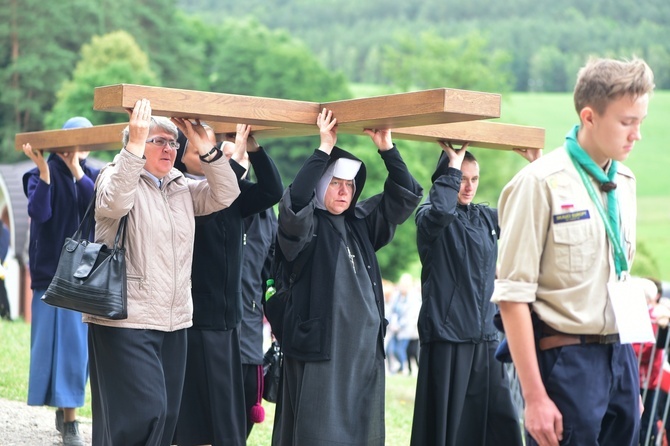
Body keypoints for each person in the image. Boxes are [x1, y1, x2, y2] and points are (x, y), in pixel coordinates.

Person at [492, 57, 655, 446]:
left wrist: (625, 377)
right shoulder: (539, 184)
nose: (637, 135)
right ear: (589, 116)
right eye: (627, 122)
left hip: (620, 357)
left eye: (641, 122)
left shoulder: (626, 181)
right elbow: (513, 297)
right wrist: (534, 398)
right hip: (565, 361)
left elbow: (619, 275)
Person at [85, 99, 240, 446]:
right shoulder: (115, 175)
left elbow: (228, 194)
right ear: (137, 143)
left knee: (168, 415)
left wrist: (205, 147)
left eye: (172, 142)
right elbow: (114, 203)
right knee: (145, 411)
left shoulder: (180, 186)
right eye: (159, 141)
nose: (169, 148)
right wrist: (134, 146)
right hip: (126, 318)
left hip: (174, 321)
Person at [271, 108, 423, 446]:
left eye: (349, 185)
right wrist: (324, 149)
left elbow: (404, 196)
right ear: (321, 184)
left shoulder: (361, 222)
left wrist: (387, 149)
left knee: (360, 431)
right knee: (318, 433)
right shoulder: (303, 228)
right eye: (335, 183)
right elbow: (295, 202)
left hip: (363, 351)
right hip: (323, 350)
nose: (344, 191)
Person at [410, 142, 539, 446]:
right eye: (461, 178)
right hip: (447, 335)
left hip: (485, 336)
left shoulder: (484, 217)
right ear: (446, 177)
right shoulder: (429, 217)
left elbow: (525, 210)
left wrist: (536, 166)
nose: (468, 187)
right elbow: (441, 209)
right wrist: (452, 167)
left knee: (502, 421)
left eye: (474, 179)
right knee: (448, 430)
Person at [173, 123, 283, 446]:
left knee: (227, 420)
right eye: (198, 151)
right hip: (192, 318)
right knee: (191, 417)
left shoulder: (232, 194)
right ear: (182, 160)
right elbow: (220, 189)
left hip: (227, 320)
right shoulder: (182, 193)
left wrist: (254, 150)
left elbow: (272, 190)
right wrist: (228, 161)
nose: (208, 156)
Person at [22, 116, 100, 446]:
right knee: (47, 348)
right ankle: (62, 409)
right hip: (47, 273)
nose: (75, 148)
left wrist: (78, 170)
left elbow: (97, 207)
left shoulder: (93, 174)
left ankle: (70, 420)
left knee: (74, 349)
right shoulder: (37, 173)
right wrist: (43, 171)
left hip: (80, 275)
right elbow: (39, 213)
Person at [239, 208, 278, 437]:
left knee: (247, 405)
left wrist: (276, 313)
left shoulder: (265, 214)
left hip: (250, 330)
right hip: (206, 329)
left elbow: (270, 274)